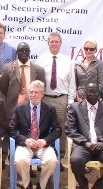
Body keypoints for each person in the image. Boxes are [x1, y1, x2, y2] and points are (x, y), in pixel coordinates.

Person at [65, 83, 103, 189]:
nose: (92, 94)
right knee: (75, 160)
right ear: (85, 93)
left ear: (99, 93)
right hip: (83, 146)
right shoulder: (75, 107)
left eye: (94, 91)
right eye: (89, 91)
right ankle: (83, 185)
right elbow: (70, 129)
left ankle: (98, 186)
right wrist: (84, 142)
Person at [9, 80, 62, 189]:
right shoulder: (20, 108)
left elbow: (57, 130)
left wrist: (46, 140)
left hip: (42, 144)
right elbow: (11, 129)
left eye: (36, 92)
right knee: (19, 160)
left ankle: (41, 184)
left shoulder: (49, 109)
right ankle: (27, 184)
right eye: (31, 92)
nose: (32, 95)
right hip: (26, 144)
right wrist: (24, 140)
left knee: (52, 160)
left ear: (42, 94)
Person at [0, 42, 45, 166]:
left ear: (30, 52)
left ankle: (29, 164)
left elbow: (40, 88)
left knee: (28, 135)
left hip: (32, 108)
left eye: (26, 50)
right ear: (17, 52)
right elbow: (3, 87)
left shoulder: (38, 70)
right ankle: (6, 159)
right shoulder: (8, 68)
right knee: (11, 133)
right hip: (13, 107)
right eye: (21, 50)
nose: (23, 53)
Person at [35, 32, 76, 162]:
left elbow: (72, 83)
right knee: (43, 126)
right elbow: (37, 82)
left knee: (60, 126)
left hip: (61, 98)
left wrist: (69, 101)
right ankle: (43, 153)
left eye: (56, 41)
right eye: (51, 42)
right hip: (45, 98)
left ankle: (60, 155)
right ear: (48, 44)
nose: (54, 44)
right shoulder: (41, 60)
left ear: (60, 43)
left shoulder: (68, 61)